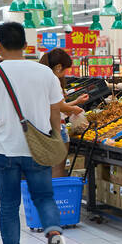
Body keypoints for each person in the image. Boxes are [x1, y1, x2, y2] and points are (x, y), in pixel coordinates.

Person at [0, 22, 69, 244]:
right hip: (37, 148)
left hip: (5, 149)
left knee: (8, 204)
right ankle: (53, 233)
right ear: (26, 45)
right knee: (44, 197)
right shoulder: (45, 72)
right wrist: (55, 137)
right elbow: (55, 111)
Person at [39, 48, 87, 178]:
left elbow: (55, 106)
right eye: (65, 69)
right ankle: (57, 197)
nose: (66, 73)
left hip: (42, 128)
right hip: (57, 129)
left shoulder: (40, 78)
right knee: (58, 170)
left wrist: (75, 102)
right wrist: (74, 109)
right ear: (59, 67)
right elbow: (59, 106)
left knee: (45, 169)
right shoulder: (53, 79)